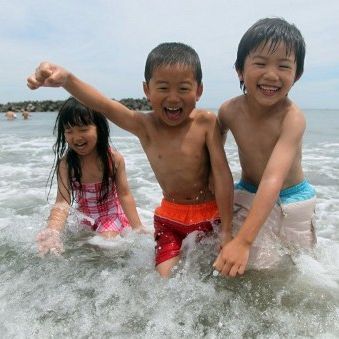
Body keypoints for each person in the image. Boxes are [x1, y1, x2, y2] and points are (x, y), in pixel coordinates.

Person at [27, 42, 234, 277]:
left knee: (219, 276)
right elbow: (104, 104)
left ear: (198, 90)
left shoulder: (205, 122)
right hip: (170, 218)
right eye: (163, 88)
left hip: (209, 214)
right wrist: (67, 80)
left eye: (184, 88)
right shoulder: (144, 126)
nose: (173, 97)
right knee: (165, 280)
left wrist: (227, 231)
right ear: (147, 90)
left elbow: (222, 175)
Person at [214, 17, 317, 277]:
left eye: (284, 66)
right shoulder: (229, 110)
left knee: (295, 272)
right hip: (249, 191)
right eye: (260, 63)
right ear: (240, 69)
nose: (271, 75)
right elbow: (213, 160)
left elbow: (273, 179)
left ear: (297, 75)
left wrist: (244, 241)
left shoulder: (292, 118)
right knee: (236, 266)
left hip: (291, 199)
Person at [36, 97, 145, 256]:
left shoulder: (113, 159)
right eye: (69, 131)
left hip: (110, 215)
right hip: (85, 217)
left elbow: (125, 195)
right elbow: (62, 202)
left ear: (99, 128)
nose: (76, 137)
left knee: (106, 245)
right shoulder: (66, 164)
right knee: (74, 249)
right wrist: (52, 230)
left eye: (83, 129)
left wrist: (138, 228)